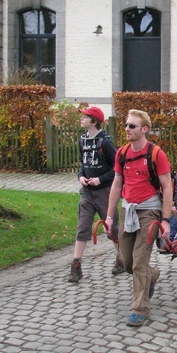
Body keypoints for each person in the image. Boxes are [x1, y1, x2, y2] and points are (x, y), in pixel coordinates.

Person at [105, 109, 173, 327]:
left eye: (132, 126)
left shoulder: (156, 154)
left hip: (149, 212)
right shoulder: (122, 153)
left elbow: (167, 187)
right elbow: (117, 184)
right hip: (128, 210)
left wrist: (165, 220)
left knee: (139, 261)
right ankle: (151, 276)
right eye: (126, 125)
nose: (126, 129)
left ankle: (140, 309)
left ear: (144, 129)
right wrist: (109, 216)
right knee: (127, 262)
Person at [68, 106, 123, 283]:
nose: (81, 119)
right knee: (83, 226)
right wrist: (81, 177)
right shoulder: (82, 140)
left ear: (93, 121)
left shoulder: (104, 143)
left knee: (111, 229)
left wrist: (100, 180)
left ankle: (121, 258)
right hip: (87, 193)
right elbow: (83, 165)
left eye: (84, 117)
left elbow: (117, 169)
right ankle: (76, 265)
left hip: (105, 193)